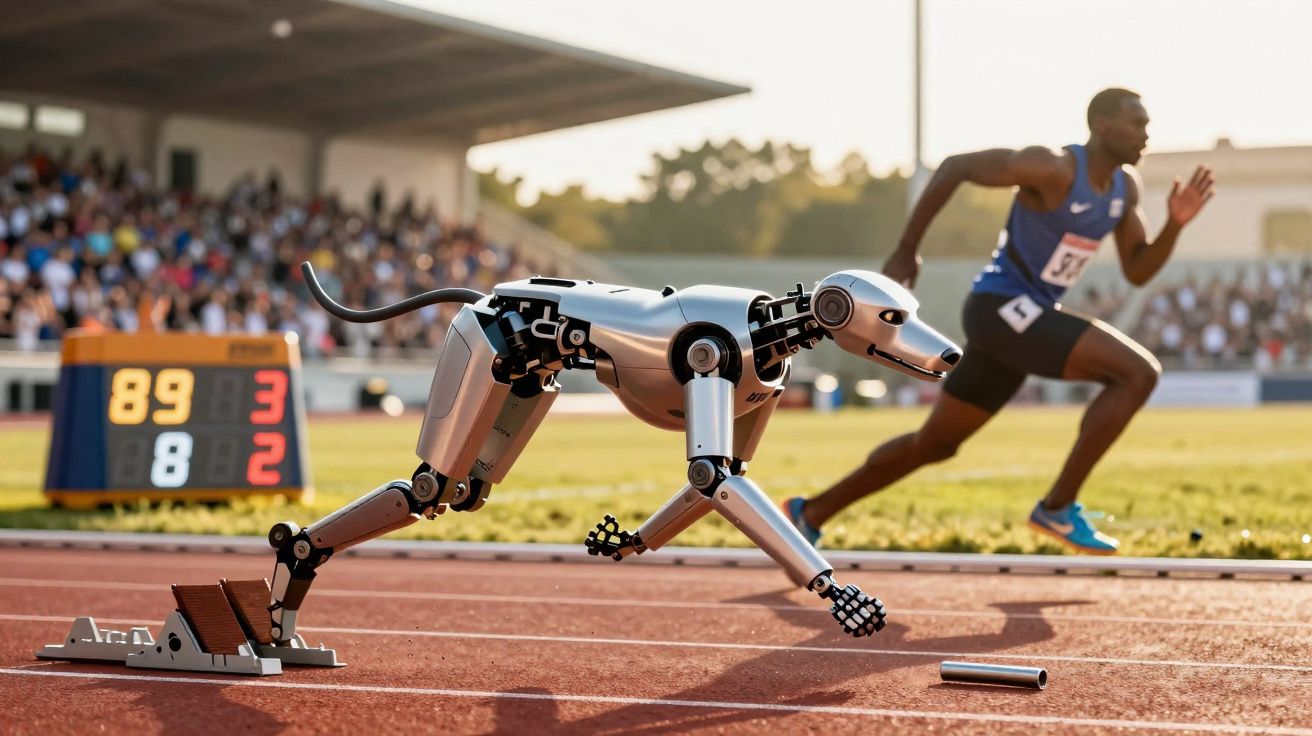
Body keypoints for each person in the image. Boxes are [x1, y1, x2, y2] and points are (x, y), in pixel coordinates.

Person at [783, 88, 1214, 554]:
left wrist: (1175, 224)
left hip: (1022, 321)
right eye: (1137, 123)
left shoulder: (1124, 189)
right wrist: (909, 246)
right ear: (1102, 126)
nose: (1146, 135)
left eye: (1147, 125)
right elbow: (955, 167)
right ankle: (1057, 507)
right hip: (1001, 307)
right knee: (1137, 372)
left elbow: (1137, 269)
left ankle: (809, 513)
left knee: (934, 444)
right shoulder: (1052, 168)